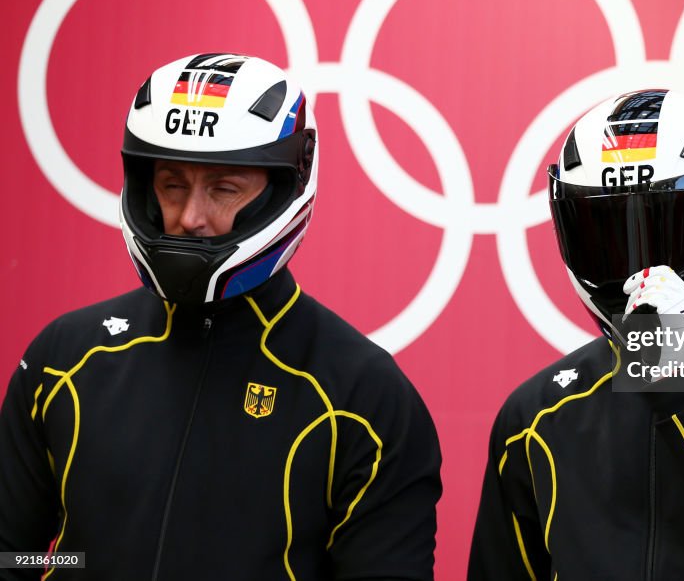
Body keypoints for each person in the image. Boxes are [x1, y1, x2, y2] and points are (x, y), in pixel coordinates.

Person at [0, 53, 442, 580]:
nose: (191, 218)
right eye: (172, 185)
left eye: (224, 189)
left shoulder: (363, 396)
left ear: (285, 187)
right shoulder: (65, 357)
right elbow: (13, 555)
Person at [468, 89, 684, 580]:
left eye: (672, 228)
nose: (642, 271)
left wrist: (680, 388)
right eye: (612, 239)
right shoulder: (536, 415)